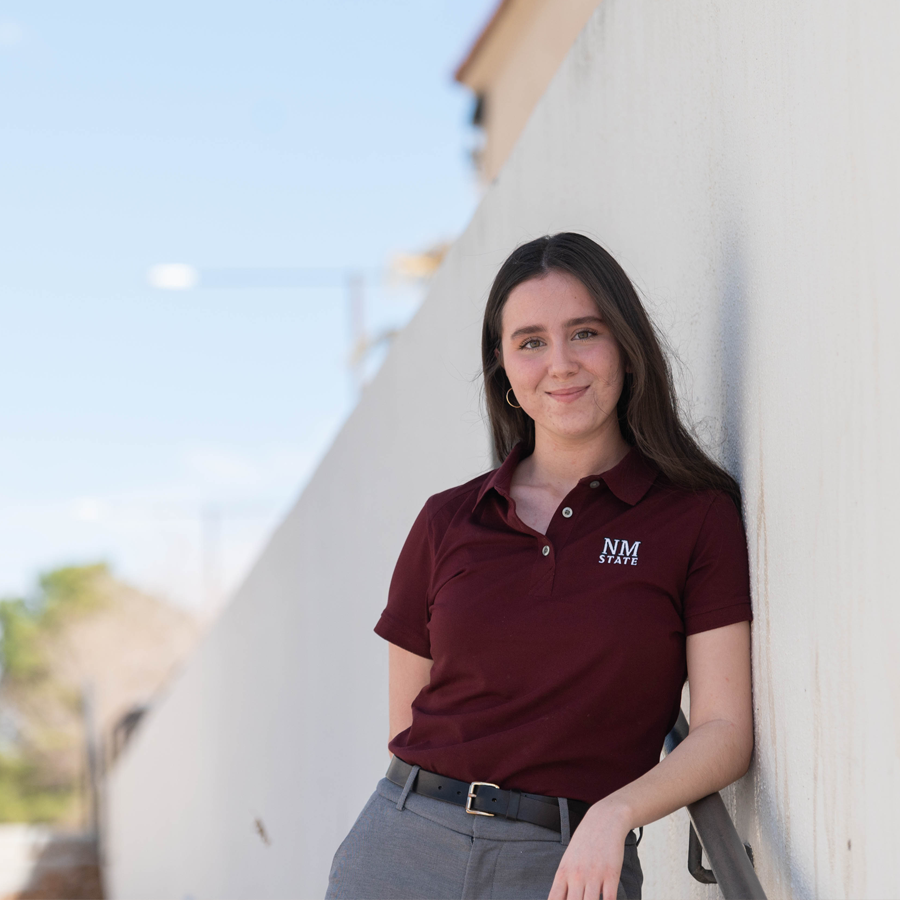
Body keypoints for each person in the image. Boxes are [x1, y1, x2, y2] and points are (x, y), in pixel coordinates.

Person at [325, 233, 753, 900]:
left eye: (584, 332)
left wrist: (616, 813)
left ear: (626, 346)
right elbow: (407, 726)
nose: (560, 364)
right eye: (530, 342)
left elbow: (725, 730)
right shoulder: (446, 520)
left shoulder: (694, 519)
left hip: (571, 864)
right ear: (502, 366)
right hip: (402, 850)